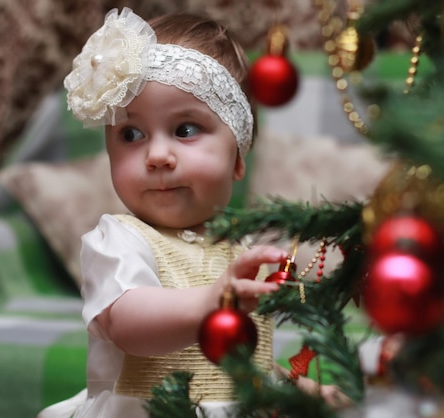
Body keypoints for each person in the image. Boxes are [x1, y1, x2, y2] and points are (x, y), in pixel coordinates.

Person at [38, 8, 350, 418]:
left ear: (238, 157)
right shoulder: (119, 240)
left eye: (185, 130)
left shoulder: (240, 249)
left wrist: (295, 388)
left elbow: (239, 361)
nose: (158, 155)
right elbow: (128, 325)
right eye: (131, 135)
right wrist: (212, 300)